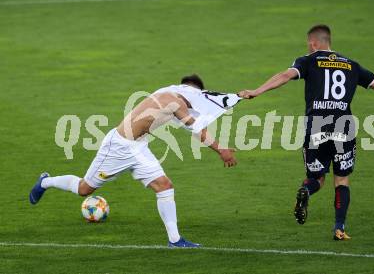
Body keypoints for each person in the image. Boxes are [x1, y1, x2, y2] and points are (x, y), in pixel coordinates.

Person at [239, 24, 374, 240]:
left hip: (317, 125)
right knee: (341, 179)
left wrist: (256, 91)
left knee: (317, 177)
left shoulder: (308, 60)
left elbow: (284, 76)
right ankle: (339, 228)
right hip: (343, 125)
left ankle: (307, 190)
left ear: (313, 43)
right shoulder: (352, 65)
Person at [30, 74, 238, 247]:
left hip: (139, 147)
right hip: (118, 147)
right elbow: (195, 127)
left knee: (165, 186)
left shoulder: (172, 99)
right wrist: (221, 150)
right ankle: (45, 182)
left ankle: (175, 240)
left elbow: (190, 125)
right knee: (84, 189)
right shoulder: (173, 100)